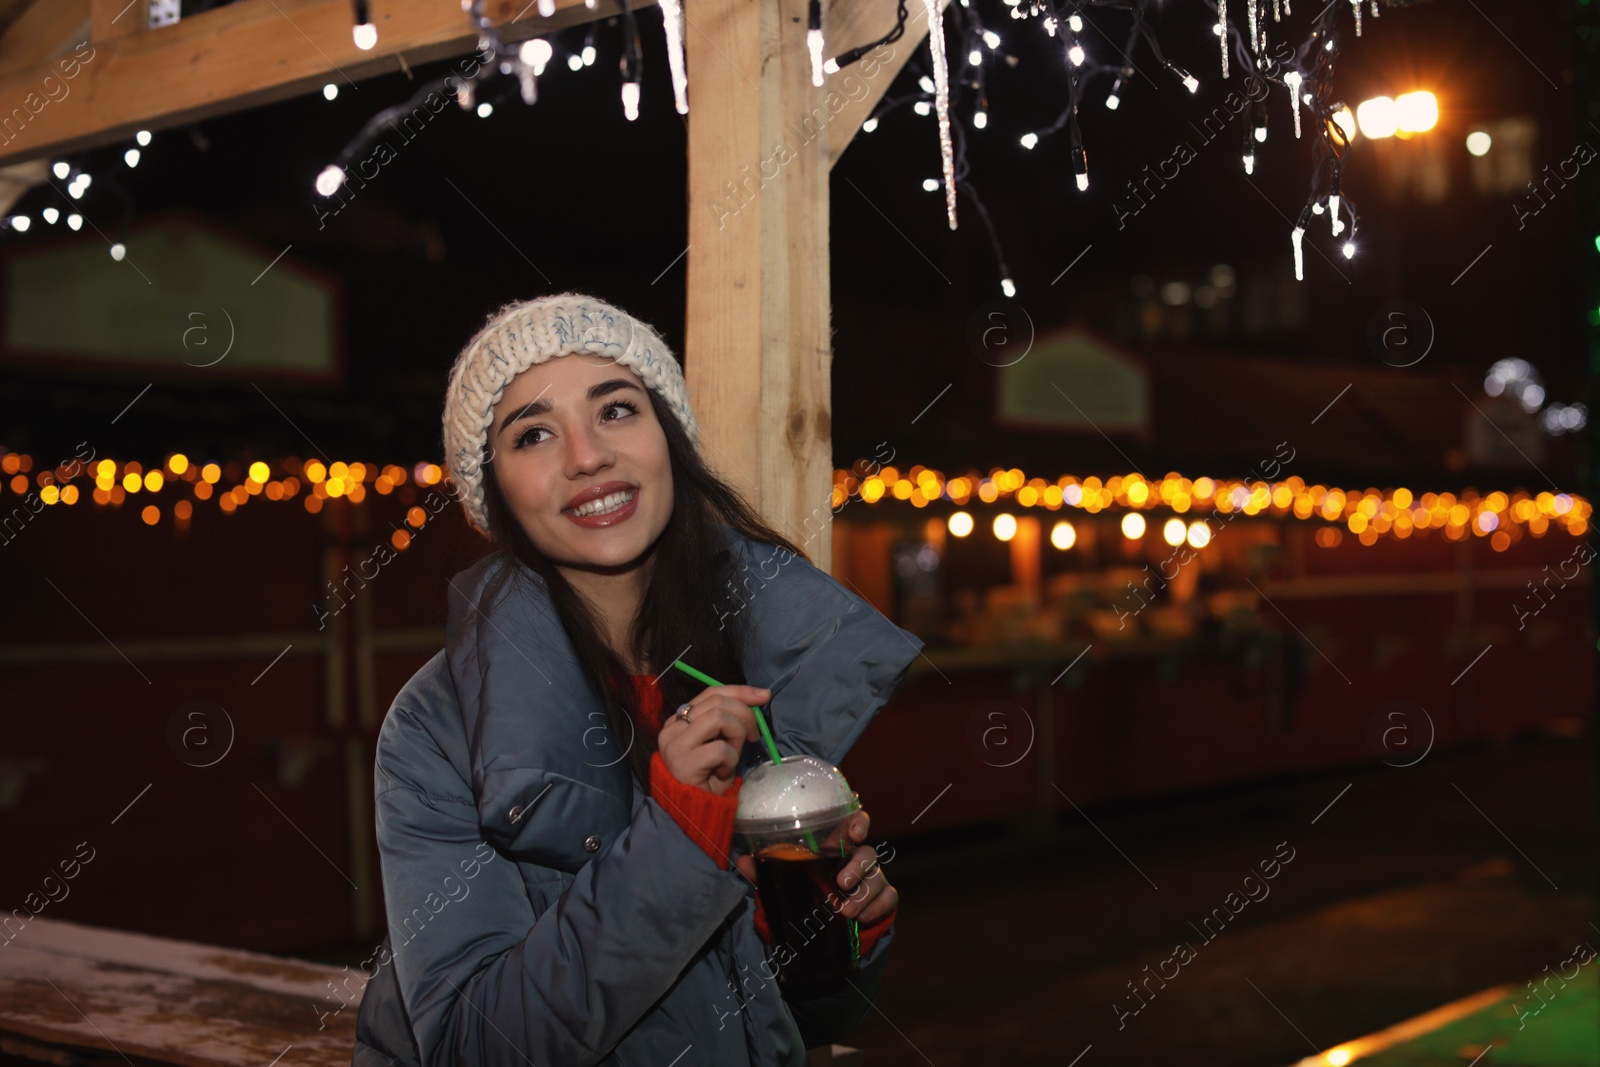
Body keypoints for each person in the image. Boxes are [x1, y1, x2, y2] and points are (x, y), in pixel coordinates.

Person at [352, 293, 924, 1066]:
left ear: (668, 437)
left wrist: (841, 934)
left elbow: (797, 1021)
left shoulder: (754, 671)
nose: (587, 456)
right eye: (534, 433)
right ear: (498, 491)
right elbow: (472, 1047)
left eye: (616, 409)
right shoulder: (437, 727)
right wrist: (678, 838)